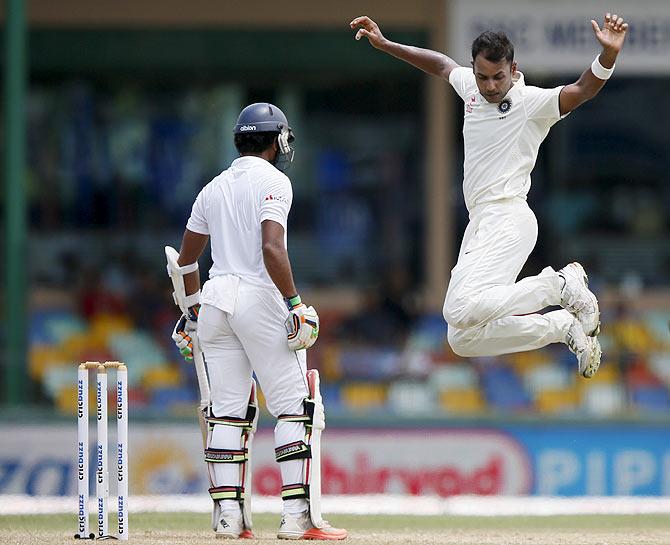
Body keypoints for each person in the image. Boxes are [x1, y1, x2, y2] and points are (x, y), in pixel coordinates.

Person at [351, 13, 629, 378]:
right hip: (481, 222)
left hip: (509, 217)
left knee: (456, 309)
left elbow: (582, 90)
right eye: (483, 76)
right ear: (474, 69)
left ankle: (558, 286)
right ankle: (561, 327)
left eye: (499, 77)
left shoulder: (530, 102)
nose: (491, 85)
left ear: (513, 69)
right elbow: (439, 64)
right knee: (462, 338)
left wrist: (607, 56)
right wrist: (387, 45)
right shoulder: (470, 86)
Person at [170, 102, 347, 540]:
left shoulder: (212, 188)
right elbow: (272, 248)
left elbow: (187, 259)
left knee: (227, 413)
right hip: (258, 296)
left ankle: (229, 519)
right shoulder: (276, 182)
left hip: (215, 299)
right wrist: (295, 303)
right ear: (279, 140)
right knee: (292, 405)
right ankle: (295, 518)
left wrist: (191, 311)